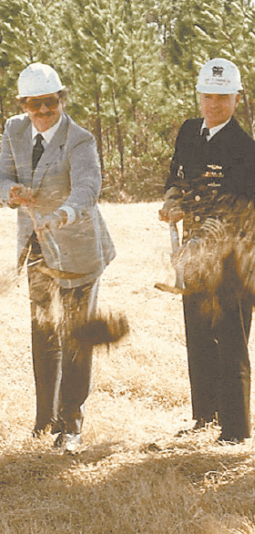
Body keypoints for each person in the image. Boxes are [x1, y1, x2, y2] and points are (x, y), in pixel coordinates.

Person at [0, 63, 117, 452]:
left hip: (78, 248)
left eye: (50, 103)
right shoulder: (14, 129)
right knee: (44, 333)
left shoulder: (79, 140)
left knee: (75, 337)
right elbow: (1, 175)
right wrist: (11, 190)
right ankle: (44, 420)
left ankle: (71, 425)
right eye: (35, 105)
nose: (44, 112)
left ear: (61, 100)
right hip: (37, 251)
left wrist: (62, 214)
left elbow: (88, 186)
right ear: (24, 104)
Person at [160, 57, 255, 445]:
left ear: (237, 98)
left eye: (223, 97)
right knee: (199, 334)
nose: (215, 104)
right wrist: (172, 199)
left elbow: (233, 204)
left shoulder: (244, 147)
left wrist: (190, 210)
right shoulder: (189, 132)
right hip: (195, 254)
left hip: (233, 256)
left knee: (230, 339)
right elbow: (176, 175)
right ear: (199, 96)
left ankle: (235, 432)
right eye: (208, 96)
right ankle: (204, 418)